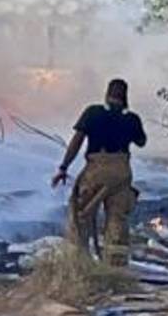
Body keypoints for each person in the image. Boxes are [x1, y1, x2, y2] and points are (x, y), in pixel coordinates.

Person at [51, 78, 146, 266]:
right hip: (121, 171)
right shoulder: (132, 119)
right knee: (118, 221)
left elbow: (77, 141)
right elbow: (141, 142)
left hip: (96, 169)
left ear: (107, 95)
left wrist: (63, 167)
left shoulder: (93, 113)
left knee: (81, 216)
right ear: (125, 97)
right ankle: (116, 267)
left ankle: (79, 264)